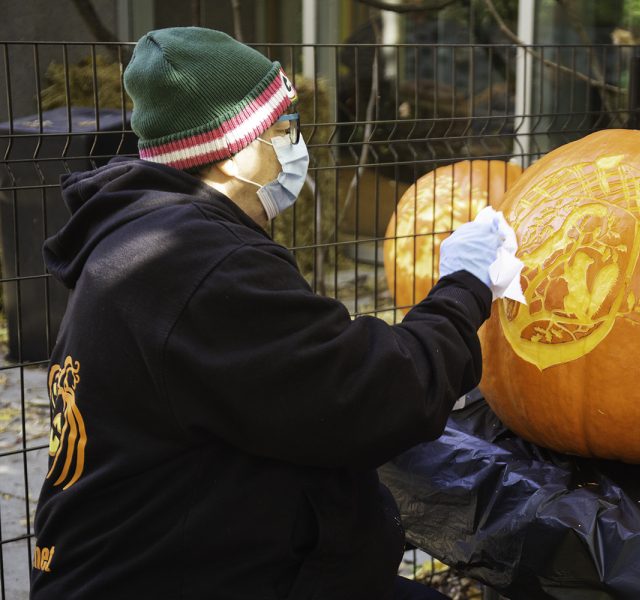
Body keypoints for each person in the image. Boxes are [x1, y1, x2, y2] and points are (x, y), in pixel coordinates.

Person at [31, 27, 502, 600]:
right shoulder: (199, 266)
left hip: (187, 558)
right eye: (283, 131)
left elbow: (301, 374)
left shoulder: (142, 235)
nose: (296, 146)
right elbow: (371, 394)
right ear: (235, 153)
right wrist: (464, 286)